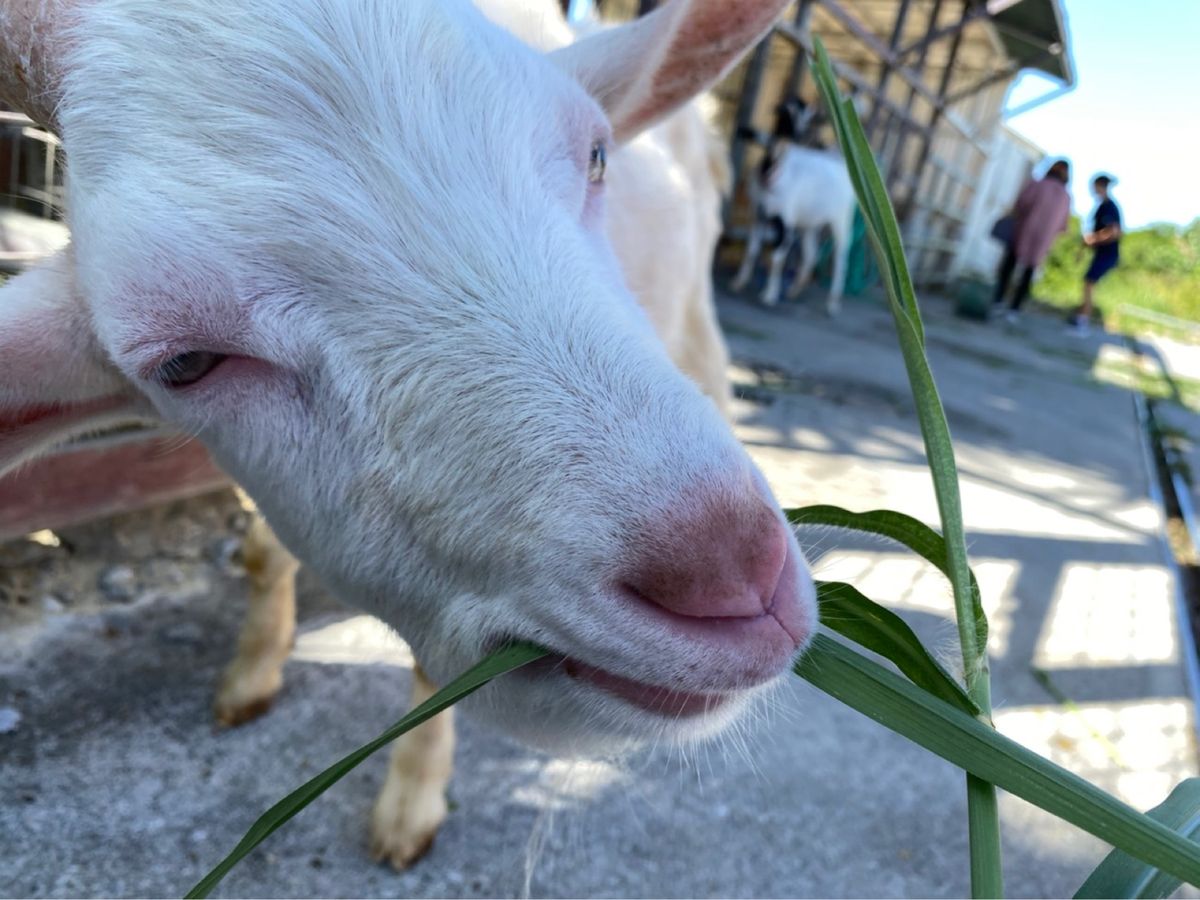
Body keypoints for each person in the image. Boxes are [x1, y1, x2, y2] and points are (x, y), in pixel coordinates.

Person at [992, 158, 1072, 323]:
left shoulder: (1038, 184)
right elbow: (1063, 226)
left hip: (1022, 233)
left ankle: (998, 301)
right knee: (1028, 274)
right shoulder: (1066, 197)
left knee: (1009, 267)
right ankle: (1014, 309)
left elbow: (1021, 204)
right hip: (1042, 242)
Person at [1068, 174, 1122, 335]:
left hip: (1108, 254)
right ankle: (1081, 317)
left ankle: (1083, 322)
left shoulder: (1110, 207)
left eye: (1094, 186)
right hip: (1100, 254)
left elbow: (1115, 232)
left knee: (1089, 283)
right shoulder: (1101, 207)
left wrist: (1094, 239)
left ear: (1100, 186)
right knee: (1088, 282)